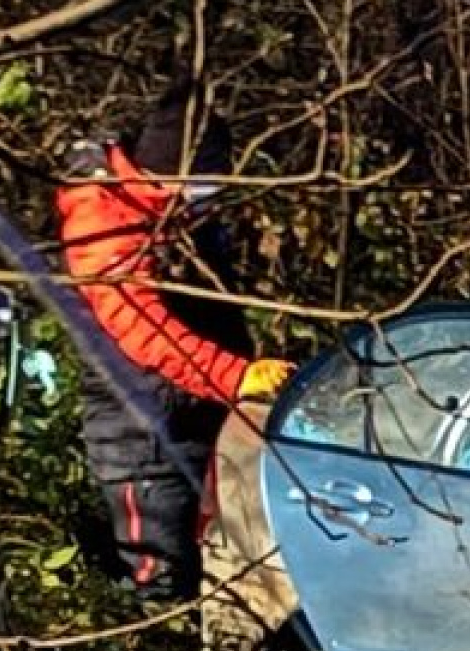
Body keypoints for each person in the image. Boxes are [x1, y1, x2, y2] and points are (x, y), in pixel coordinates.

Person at [55, 83, 292, 602]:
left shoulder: (176, 214)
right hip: (139, 434)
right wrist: (233, 376)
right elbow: (142, 327)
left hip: (197, 415)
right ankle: (150, 639)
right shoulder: (103, 219)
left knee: (220, 557)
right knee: (158, 576)